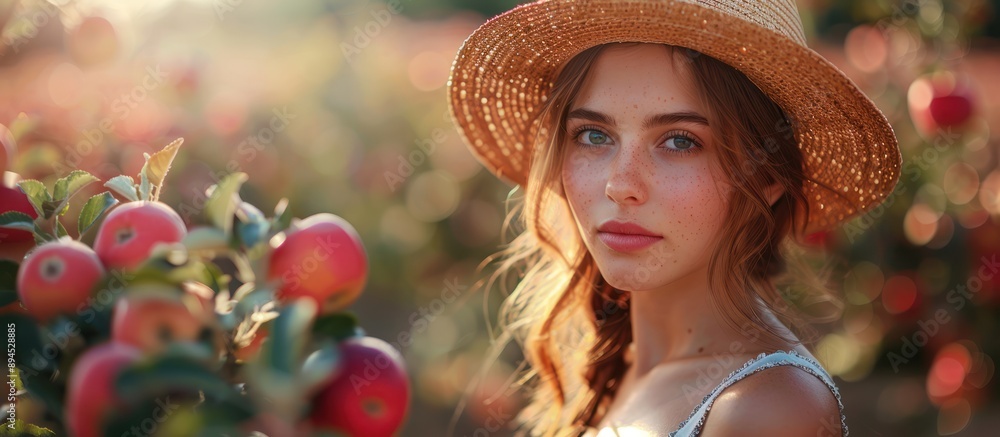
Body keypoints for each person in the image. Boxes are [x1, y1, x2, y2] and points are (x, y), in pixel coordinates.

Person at [447, 1, 901, 436]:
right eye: (592, 134)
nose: (620, 184)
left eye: (680, 141)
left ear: (767, 177)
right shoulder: (610, 366)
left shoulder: (767, 411)